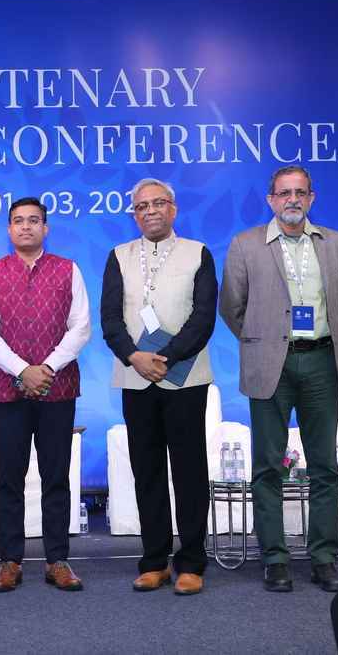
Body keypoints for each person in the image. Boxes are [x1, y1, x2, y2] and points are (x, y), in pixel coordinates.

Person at [220, 165, 338, 593]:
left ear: (311, 198)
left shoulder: (336, 243)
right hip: (270, 365)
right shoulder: (245, 244)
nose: (292, 200)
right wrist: (263, 341)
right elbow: (232, 307)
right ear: (271, 200)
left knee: (324, 466)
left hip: (321, 361)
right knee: (267, 465)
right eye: (284, 193)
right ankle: (274, 558)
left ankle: (324, 558)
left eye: (300, 192)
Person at [100, 178, 218, 596]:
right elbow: (110, 318)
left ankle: (191, 562)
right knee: (146, 470)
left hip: (185, 376)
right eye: (141, 206)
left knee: (189, 471)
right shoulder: (118, 256)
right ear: (134, 214)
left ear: (173, 209)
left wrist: (165, 357)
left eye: (158, 203)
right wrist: (135, 357)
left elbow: (204, 317)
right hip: (135, 376)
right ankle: (153, 561)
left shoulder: (198, 252)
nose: (150, 211)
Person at [0, 197, 91, 593]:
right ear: (9, 229)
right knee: (10, 478)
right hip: (7, 390)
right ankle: (9, 561)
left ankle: (57, 560)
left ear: (46, 228)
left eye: (33, 220)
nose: (26, 226)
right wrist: (22, 370)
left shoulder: (68, 270)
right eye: (18, 221)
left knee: (56, 477)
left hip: (57, 388)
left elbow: (80, 327)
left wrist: (47, 368)